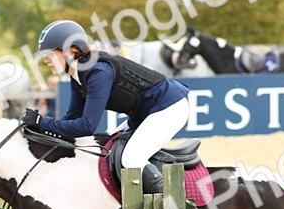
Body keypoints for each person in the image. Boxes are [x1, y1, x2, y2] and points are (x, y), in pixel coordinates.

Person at [23, 20, 190, 196]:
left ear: (71, 51)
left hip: (169, 107)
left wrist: (43, 122)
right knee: (107, 149)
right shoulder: (77, 74)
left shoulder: (98, 72)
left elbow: (86, 126)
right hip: (144, 114)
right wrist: (40, 127)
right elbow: (71, 122)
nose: (46, 60)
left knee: (131, 158)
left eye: (50, 54)